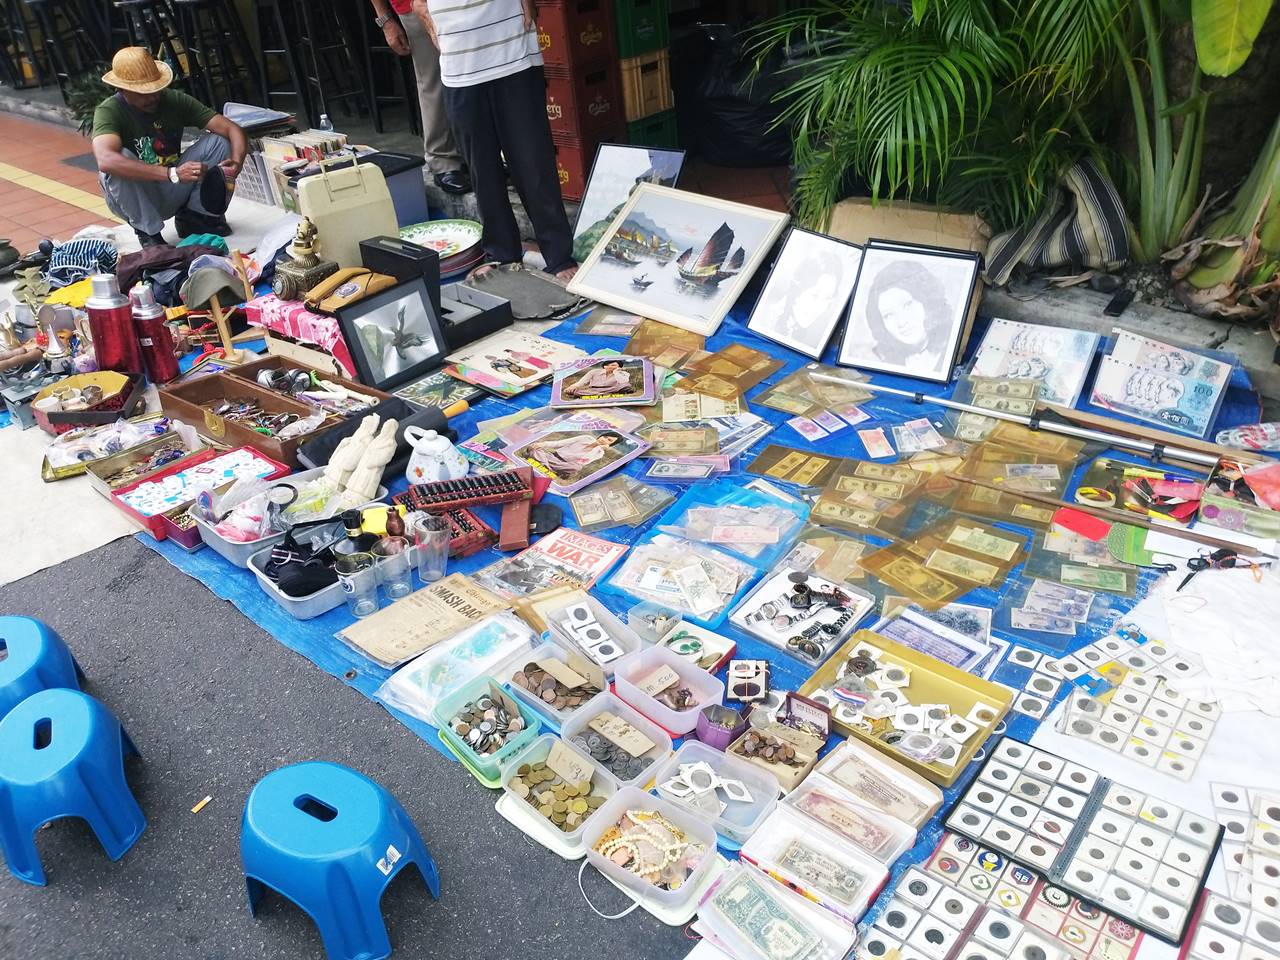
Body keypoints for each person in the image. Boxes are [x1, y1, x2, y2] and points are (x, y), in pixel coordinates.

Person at [411, 0, 577, 281]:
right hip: (459, 61)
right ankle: (501, 255)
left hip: (513, 50)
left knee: (534, 162)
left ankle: (559, 256)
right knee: (482, 169)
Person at [91, 48, 247, 248]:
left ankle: (196, 218)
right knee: (116, 162)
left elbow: (232, 129)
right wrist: (172, 173)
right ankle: (149, 233)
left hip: (174, 186)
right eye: (143, 93)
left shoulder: (172, 100)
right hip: (139, 193)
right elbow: (105, 159)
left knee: (220, 142)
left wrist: (236, 163)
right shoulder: (109, 111)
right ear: (122, 89)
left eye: (155, 90)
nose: (152, 98)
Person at [367, 0, 471, 195]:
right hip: (414, 6)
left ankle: (479, 154)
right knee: (432, 80)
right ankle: (442, 160)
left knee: (473, 74)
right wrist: (385, 20)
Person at [861, 260, 955, 374]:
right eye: (888, 315)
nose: (901, 322)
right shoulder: (885, 363)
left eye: (907, 305)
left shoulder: (954, 347)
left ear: (927, 301)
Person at [564, 360, 634, 398]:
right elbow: (583, 381)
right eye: (607, 365)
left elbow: (624, 382)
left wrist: (617, 372)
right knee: (574, 391)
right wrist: (574, 386)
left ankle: (602, 394)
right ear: (604, 366)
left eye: (613, 365)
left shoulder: (621, 373)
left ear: (619, 367)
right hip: (593, 390)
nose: (609, 367)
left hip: (612, 388)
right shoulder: (594, 371)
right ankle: (604, 394)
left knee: (626, 386)